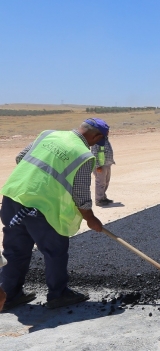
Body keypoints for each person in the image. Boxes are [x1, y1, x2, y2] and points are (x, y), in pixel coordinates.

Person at [0, 118, 106, 311]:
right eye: (98, 140)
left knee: (14, 251)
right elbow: (80, 193)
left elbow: (20, 157)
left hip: (13, 197)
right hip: (42, 208)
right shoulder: (83, 155)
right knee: (54, 251)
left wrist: (37, 179)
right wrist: (90, 218)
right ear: (96, 136)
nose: (96, 144)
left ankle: (9, 295)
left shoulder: (48, 134)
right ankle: (58, 295)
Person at [91, 135, 115, 206]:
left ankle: (103, 197)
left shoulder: (105, 139)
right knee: (100, 183)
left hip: (107, 164)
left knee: (106, 182)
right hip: (100, 166)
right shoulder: (96, 141)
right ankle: (98, 200)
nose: (107, 132)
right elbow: (94, 154)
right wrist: (97, 166)